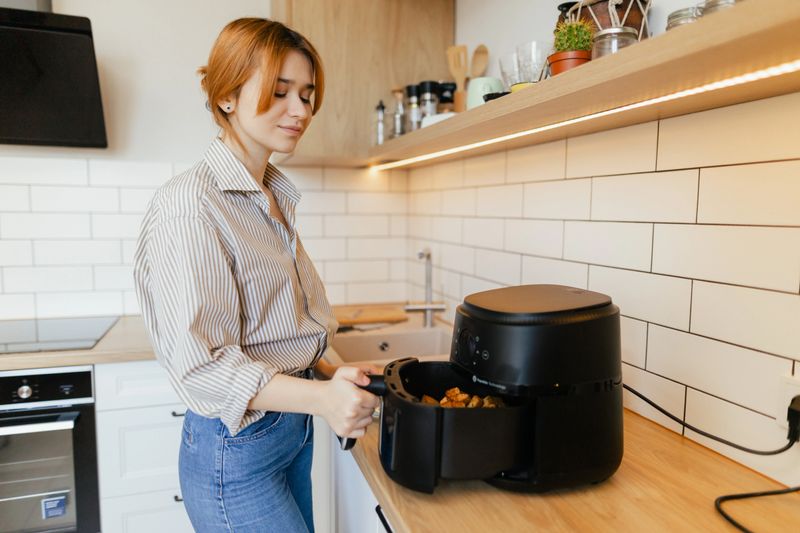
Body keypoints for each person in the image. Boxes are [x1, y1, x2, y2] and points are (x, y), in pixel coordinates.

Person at [133, 18, 380, 533]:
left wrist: (326, 375)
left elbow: (274, 326)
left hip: (288, 430)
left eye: (307, 95)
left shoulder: (270, 193)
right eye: (280, 91)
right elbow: (201, 366)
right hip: (237, 446)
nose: (301, 110)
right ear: (227, 97)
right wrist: (322, 399)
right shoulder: (191, 204)